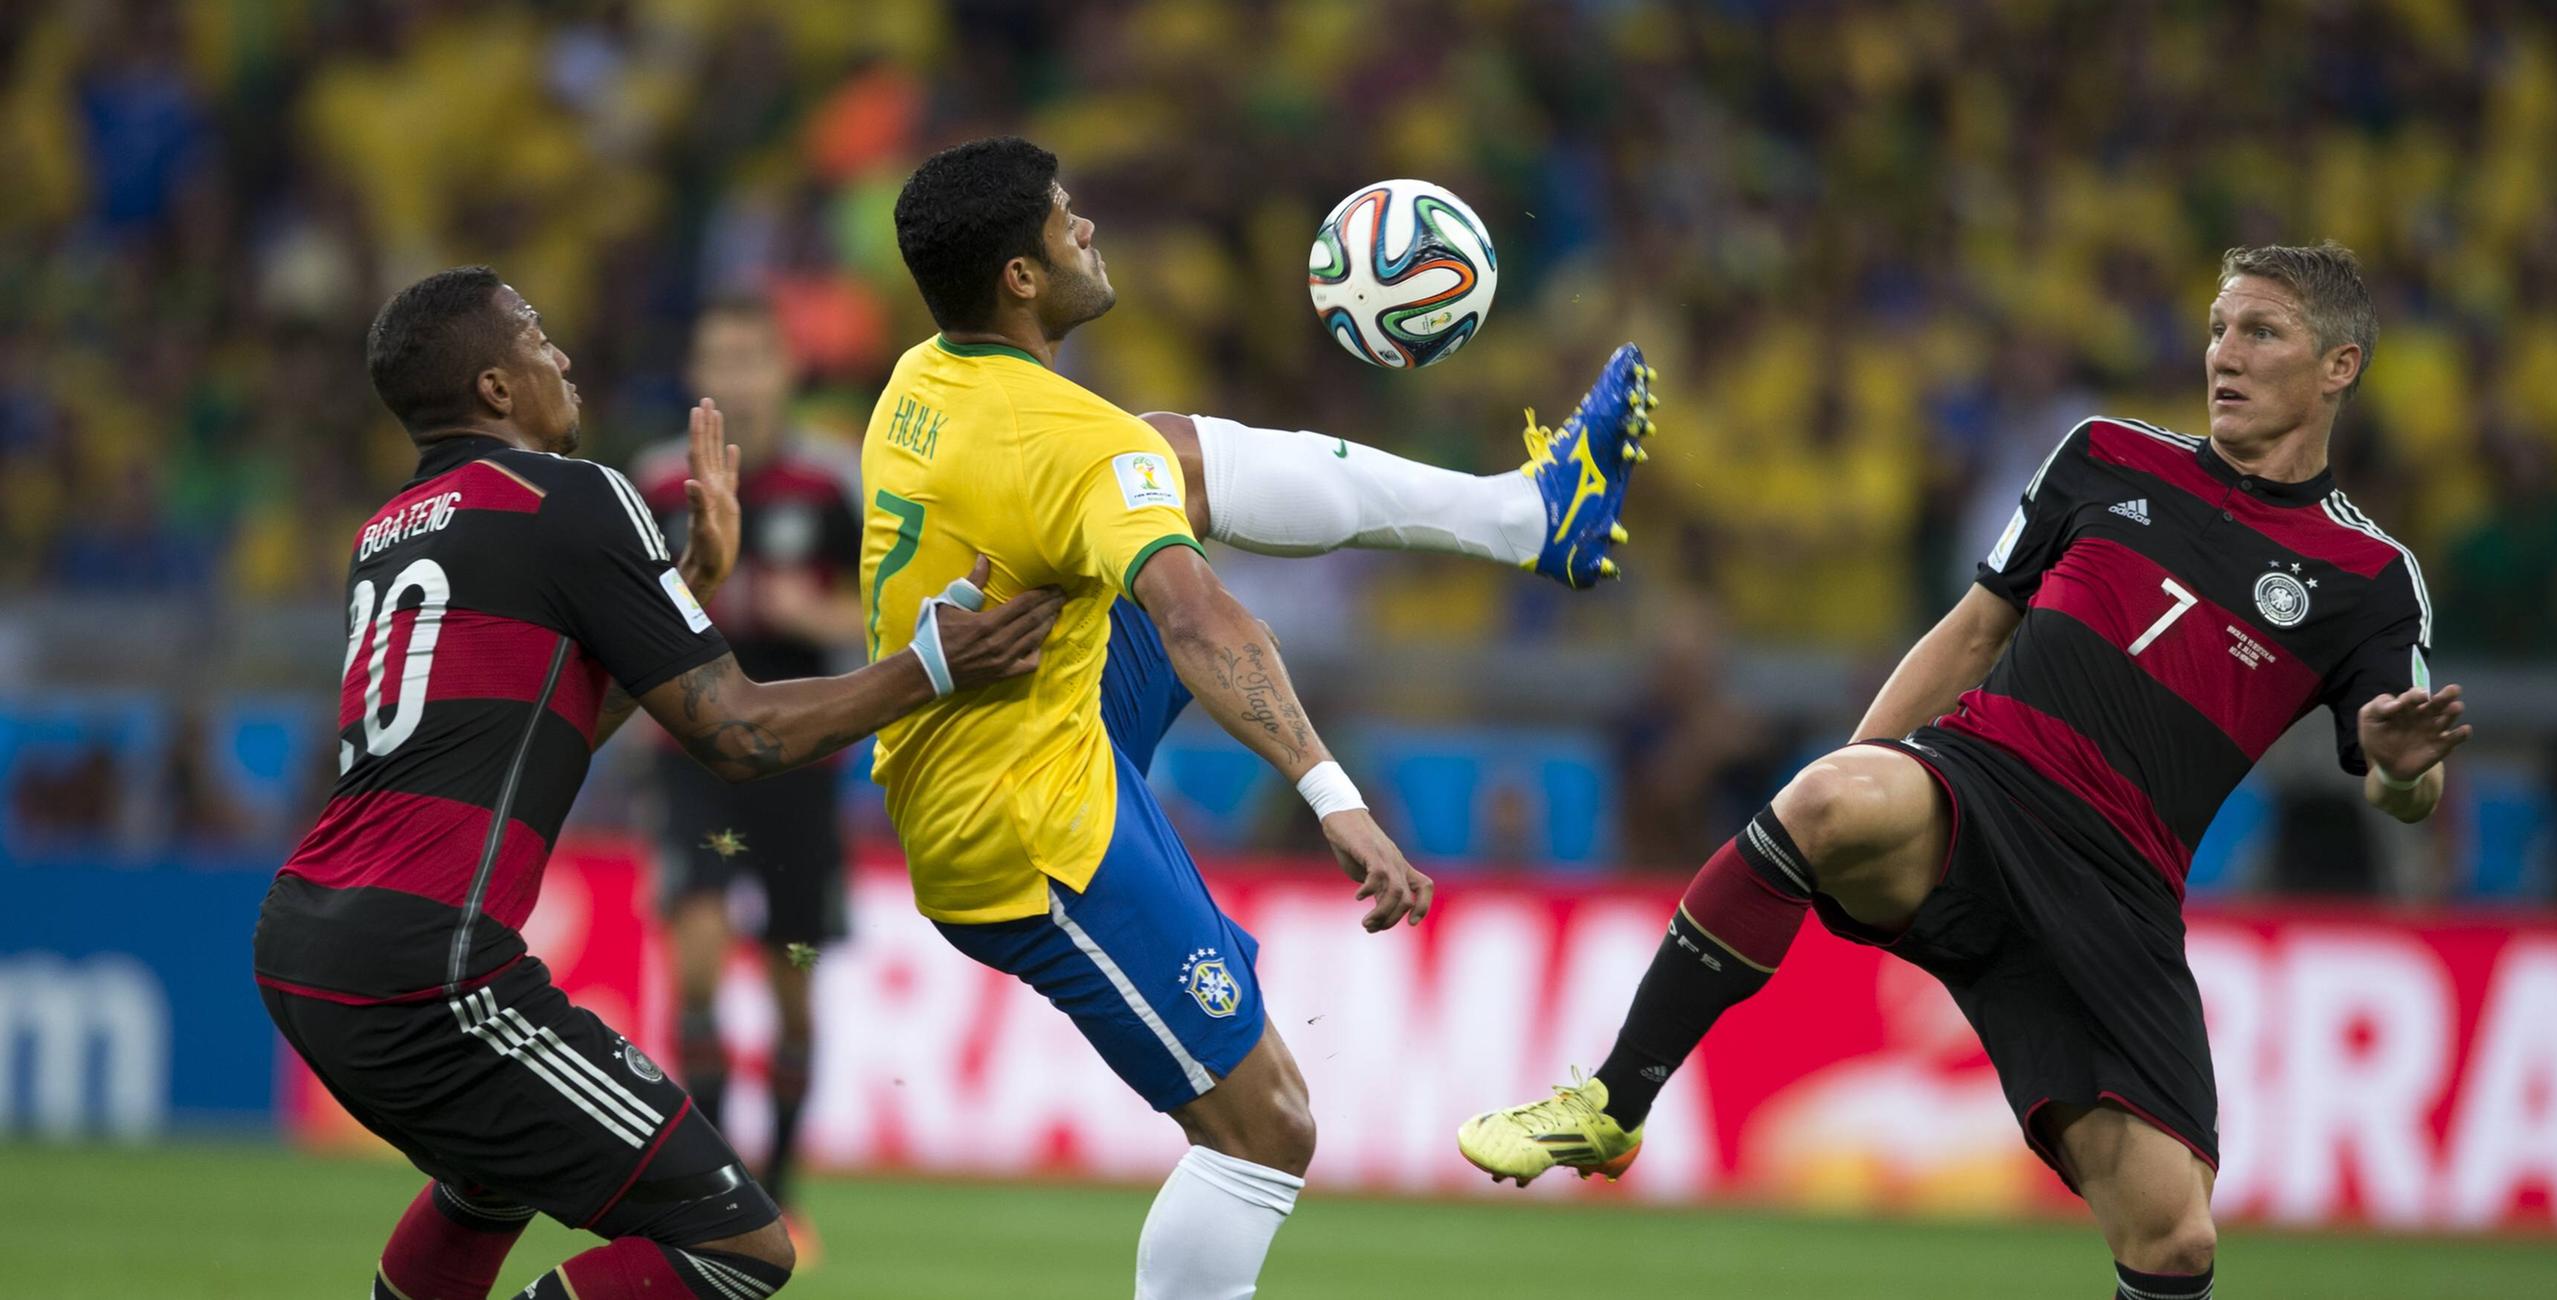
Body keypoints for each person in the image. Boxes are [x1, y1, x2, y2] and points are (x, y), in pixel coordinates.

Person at [1459, 241, 2469, 1300]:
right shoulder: (2102, 454)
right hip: (1978, 789)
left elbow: (2402, 782)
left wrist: (2401, 772)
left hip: (2119, 892)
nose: (2223, 352)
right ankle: (1612, 1104)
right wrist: (1855, 775)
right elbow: (1974, 629)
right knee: (1824, 794)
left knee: (2169, 1235)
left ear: (2336, 367)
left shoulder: (2368, 578)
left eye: (2259, 331)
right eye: (2217, 326)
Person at [866, 136, 1653, 1300]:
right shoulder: (1064, 444)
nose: (1087, 227)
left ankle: (1527, 518)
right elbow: (1200, 625)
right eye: (1065, 218)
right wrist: (1332, 795)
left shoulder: (925, 377)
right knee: (1265, 1128)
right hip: (1025, 830)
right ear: (1019, 278)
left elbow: (1122, 484)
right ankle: (1525, 521)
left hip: (1037, 720)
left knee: (1170, 455)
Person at [251, 266, 1063, 1300]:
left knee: (491, 1173)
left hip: (303, 943)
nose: (563, 356)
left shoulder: (392, 528)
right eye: (537, 335)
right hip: (431, 963)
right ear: (497, 389)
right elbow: (738, 733)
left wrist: (682, 593)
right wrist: (936, 666)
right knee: (738, 1248)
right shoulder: (578, 495)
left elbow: (544, 726)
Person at [634, 299, 861, 1238]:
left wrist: (812, 619)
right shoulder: (653, 484)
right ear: (695, 369)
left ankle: (783, 1185)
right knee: (694, 958)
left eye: (751, 358)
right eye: (716, 355)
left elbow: (883, 611)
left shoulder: (830, 482)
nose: (734, 375)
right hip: (693, 760)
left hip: (801, 762)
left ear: (783, 371)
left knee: (792, 979)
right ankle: (721, 1188)